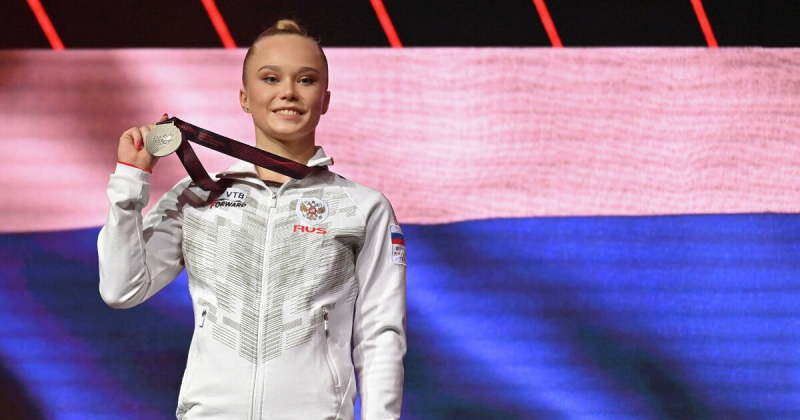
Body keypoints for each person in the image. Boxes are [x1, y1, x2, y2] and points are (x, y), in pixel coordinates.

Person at [98, 19, 406, 420]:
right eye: (271, 78)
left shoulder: (363, 207)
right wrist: (130, 180)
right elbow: (121, 289)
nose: (288, 92)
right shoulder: (198, 196)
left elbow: (381, 335)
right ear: (244, 97)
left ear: (325, 99)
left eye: (306, 80)